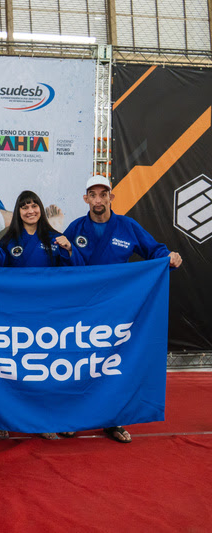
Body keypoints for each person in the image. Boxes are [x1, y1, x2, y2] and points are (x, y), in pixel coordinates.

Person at [63, 174, 182, 443]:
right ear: (86, 199)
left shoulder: (127, 226)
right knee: (79, 363)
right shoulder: (75, 228)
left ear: (111, 197)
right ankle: (73, 418)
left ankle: (112, 419)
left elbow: (155, 251)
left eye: (103, 194)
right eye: (93, 195)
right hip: (82, 309)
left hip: (116, 309)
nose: (98, 200)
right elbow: (60, 263)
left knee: (110, 364)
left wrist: (169, 257)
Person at [0, 190, 83, 440]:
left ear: (40, 209)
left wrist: (69, 250)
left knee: (43, 369)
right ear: (18, 212)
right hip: (15, 316)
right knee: (10, 368)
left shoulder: (55, 238)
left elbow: (76, 273)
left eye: (34, 206)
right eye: (24, 207)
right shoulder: (8, 240)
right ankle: (2, 418)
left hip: (47, 317)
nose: (30, 211)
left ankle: (43, 420)